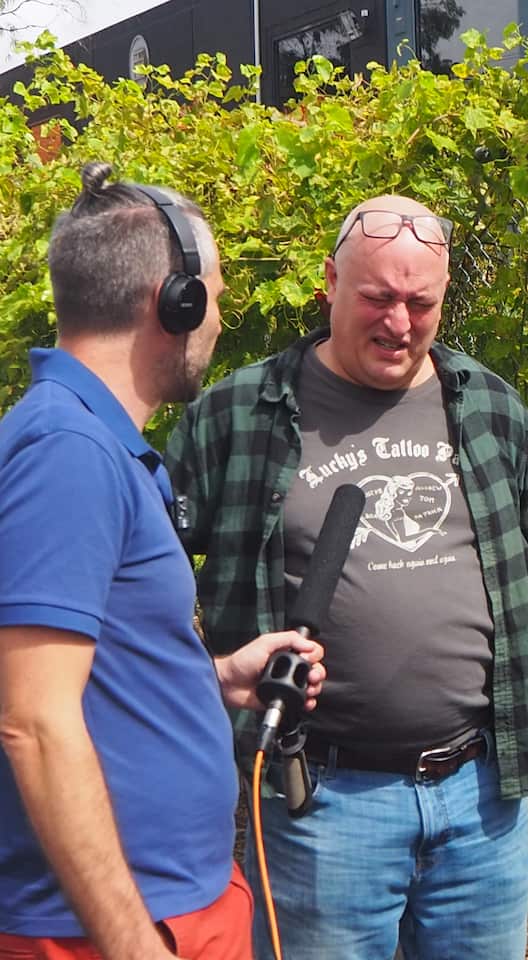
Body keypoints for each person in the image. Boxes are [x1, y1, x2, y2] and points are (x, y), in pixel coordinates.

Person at [164, 194, 528, 960]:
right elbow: (146, 571)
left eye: (421, 303)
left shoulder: (490, 409)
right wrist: (202, 676)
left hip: (481, 798)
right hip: (322, 805)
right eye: (378, 297)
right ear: (331, 283)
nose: (399, 323)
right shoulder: (239, 414)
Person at [0, 163, 325, 960]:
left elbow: (84, 676)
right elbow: (33, 721)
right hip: (112, 930)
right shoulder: (67, 451)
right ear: (172, 302)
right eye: (212, 293)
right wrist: (135, 945)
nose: (216, 318)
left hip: (174, 904)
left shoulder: (92, 440)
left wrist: (207, 678)